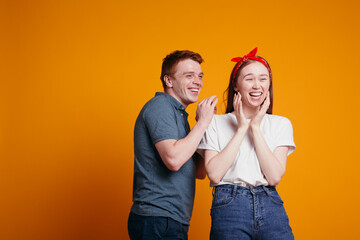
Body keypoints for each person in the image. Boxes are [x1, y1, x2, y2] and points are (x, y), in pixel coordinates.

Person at [197, 48, 295, 240]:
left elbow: (274, 177)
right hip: (229, 205)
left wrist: (255, 128)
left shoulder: (281, 124)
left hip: (270, 203)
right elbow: (215, 174)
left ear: (269, 84)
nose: (257, 85)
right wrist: (242, 128)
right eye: (249, 79)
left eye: (263, 78)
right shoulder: (215, 122)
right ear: (236, 85)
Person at [128, 50, 218, 240]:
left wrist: (206, 126)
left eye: (200, 76)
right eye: (189, 75)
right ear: (168, 81)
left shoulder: (179, 116)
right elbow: (174, 160)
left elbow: (199, 172)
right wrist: (202, 123)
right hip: (157, 219)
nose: (198, 81)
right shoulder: (160, 106)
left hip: (172, 220)